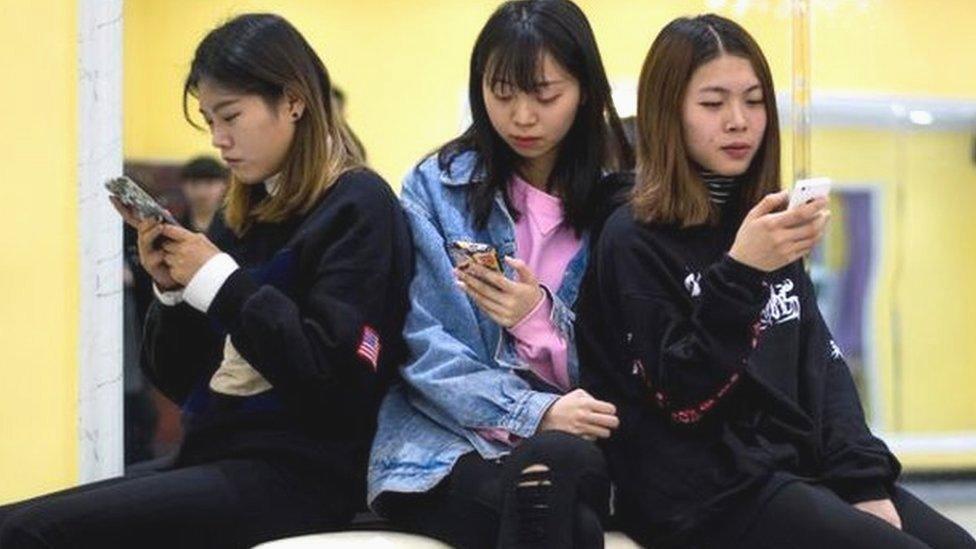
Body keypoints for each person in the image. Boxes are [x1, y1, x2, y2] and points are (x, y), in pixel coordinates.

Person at [0, 13, 412, 548]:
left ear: (293, 101)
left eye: (231, 116)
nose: (219, 139)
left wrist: (219, 279)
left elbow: (332, 384)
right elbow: (179, 379)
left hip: (302, 476)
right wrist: (171, 291)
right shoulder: (242, 209)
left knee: (27, 534)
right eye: (208, 119)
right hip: (216, 453)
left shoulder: (359, 204)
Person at [576, 14, 976, 549]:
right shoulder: (630, 237)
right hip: (701, 491)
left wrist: (863, 481)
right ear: (668, 113)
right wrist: (741, 271)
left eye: (755, 100)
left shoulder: (763, 220)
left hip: (790, 466)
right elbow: (682, 395)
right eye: (714, 104)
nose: (739, 121)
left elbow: (821, 366)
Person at [367, 1, 633, 547]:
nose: (522, 117)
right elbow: (422, 346)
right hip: (445, 444)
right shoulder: (436, 187)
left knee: (559, 471)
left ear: (585, 90)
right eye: (501, 93)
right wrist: (535, 411)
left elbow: (620, 363)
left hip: (577, 445)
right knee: (566, 521)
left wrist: (537, 318)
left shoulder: (622, 204)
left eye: (545, 94)